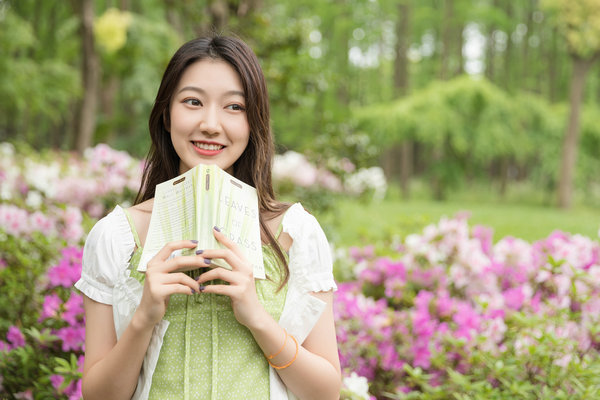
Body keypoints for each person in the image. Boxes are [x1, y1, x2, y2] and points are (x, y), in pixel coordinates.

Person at [74, 34, 341, 400]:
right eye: (193, 102)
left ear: (253, 122)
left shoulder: (295, 232)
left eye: (234, 107)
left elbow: (326, 392)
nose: (211, 124)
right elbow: (99, 396)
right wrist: (144, 318)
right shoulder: (116, 236)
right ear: (167, 115)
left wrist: (257, 317)